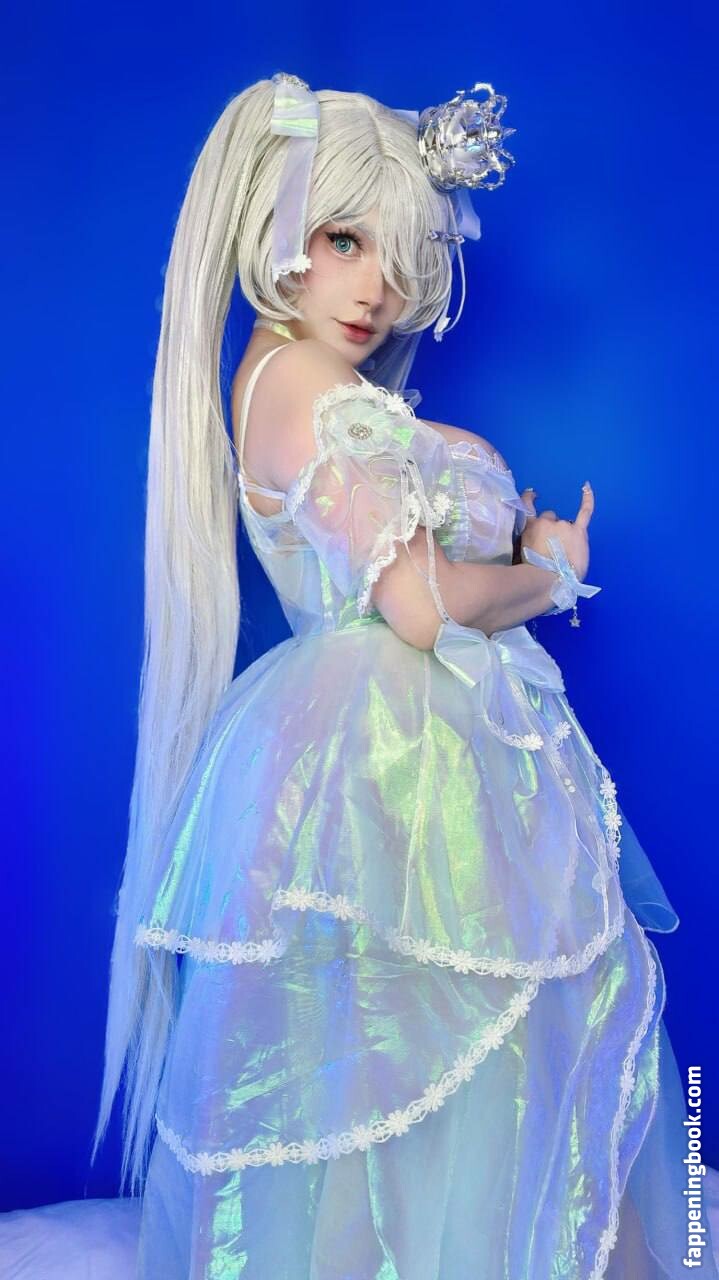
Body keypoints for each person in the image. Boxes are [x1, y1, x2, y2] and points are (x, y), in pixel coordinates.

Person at [91, 73, 718, 1278]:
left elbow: (414, 576)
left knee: (412, 1027)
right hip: (385, 743)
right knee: (416, 1022)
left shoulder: (306, 385)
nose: (374, 286)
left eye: (396, 252)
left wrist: (508, 545)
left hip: (397, 740)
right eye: (342, 239)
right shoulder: (301, 384)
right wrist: (550, 574)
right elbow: (420, 605)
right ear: (278, 227)